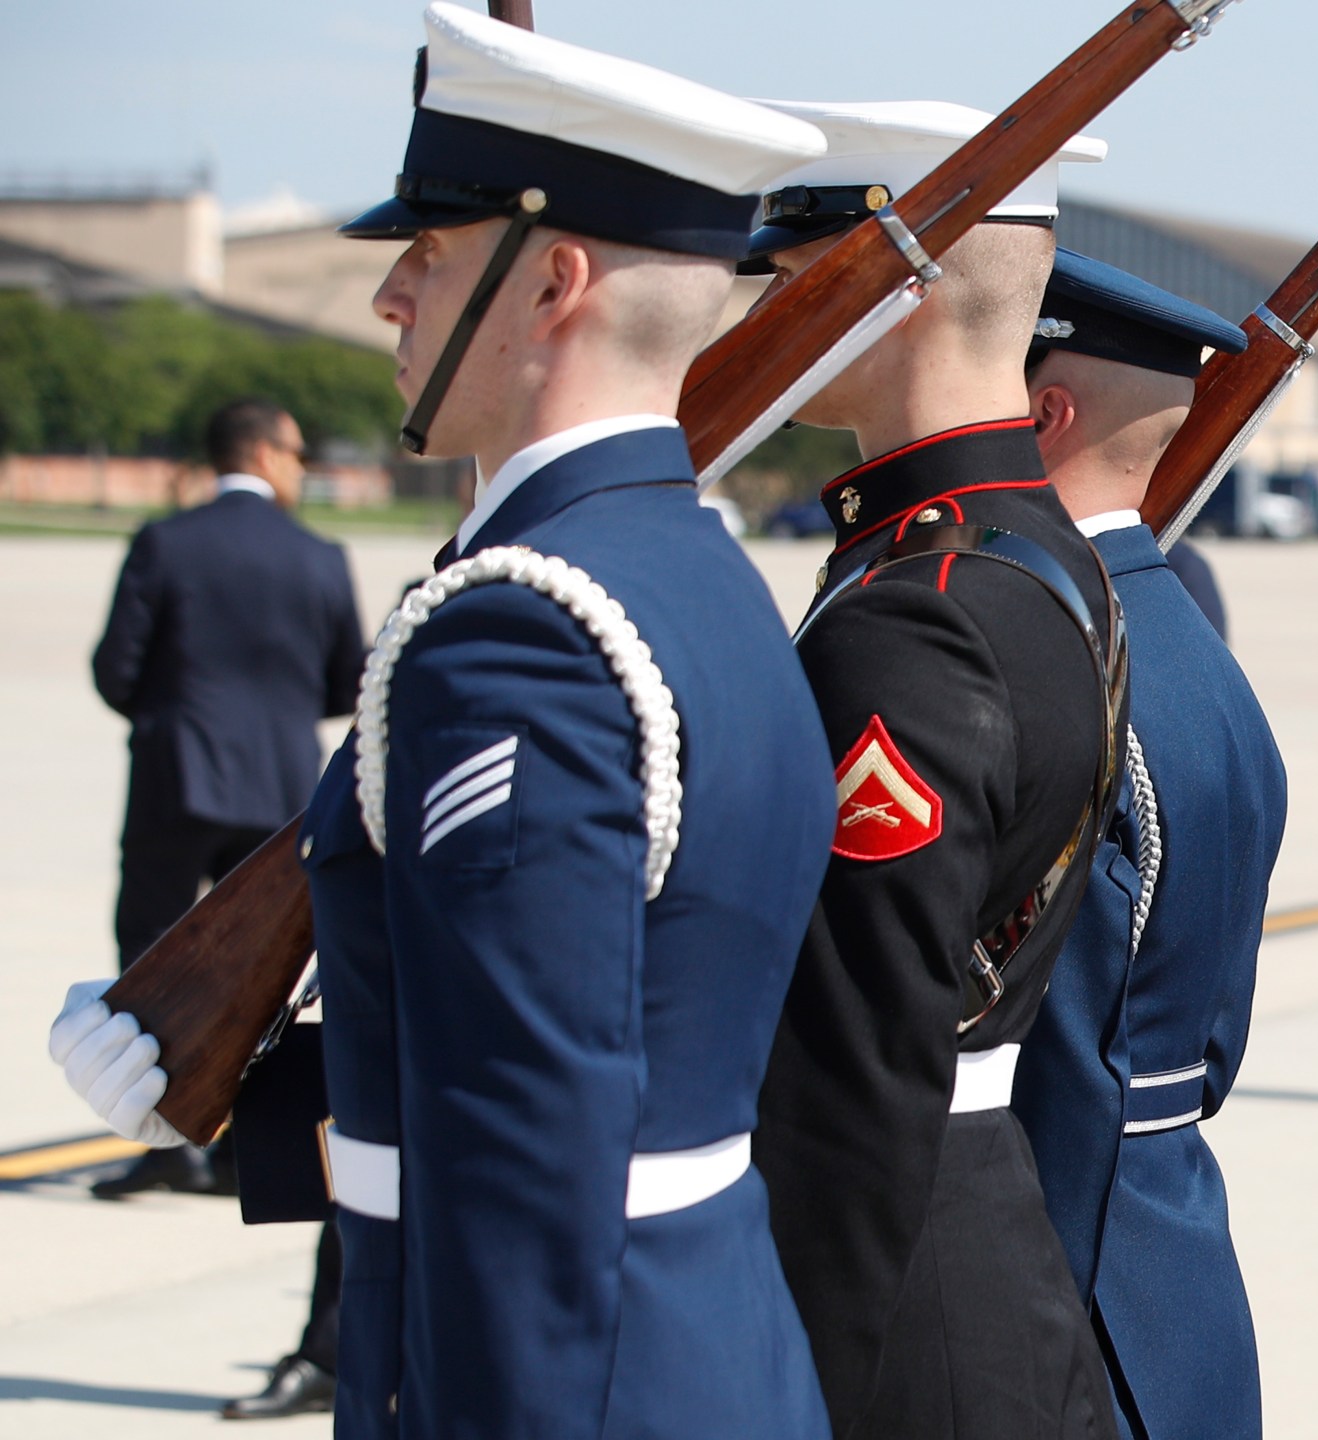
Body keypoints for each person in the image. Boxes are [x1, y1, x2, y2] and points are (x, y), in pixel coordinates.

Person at [53, 7, 841, 1434]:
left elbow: (522, 1145)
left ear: (554, 284)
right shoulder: (691, 573)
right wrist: (226, 1084)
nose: (390, 298)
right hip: (692, 1345)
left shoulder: (516, 632)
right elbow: (600, 1039)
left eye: (427, 255)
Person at [739, 101, 1120, 1440]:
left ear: (887, 293)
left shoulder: (917, 612)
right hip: (974, 1251)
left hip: (900, 1317)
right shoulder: (1032, 553)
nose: (754, 314)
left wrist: (792, 1392)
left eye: (786, 278)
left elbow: (852, 1068)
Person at [1009, 250, 1286, 1439]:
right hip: (1175, 1265)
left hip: (1069, 1295)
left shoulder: (1058, 657)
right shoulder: (1202, 660)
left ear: (1040, 413)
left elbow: (1062, 1063)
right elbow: (1202, 1045)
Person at [81, 399, 364, 1204]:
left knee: (150, 962)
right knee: (267, 974)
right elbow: (350, 677)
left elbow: (115, 673)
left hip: (177, 777)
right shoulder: (318, 555)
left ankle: (168, 1140)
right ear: (268, 454)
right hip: (278, 793)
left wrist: (177, 716)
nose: (303, 470)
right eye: (300, 455)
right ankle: (249, 1150)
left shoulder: (165, 541)